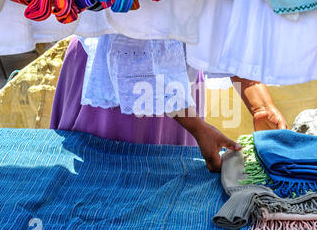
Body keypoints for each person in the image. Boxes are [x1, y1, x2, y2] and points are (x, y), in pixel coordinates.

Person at [51, 35, 286, 172]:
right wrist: (195, 126)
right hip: (113, 74)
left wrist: (260, 106)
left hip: (177, 81)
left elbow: (222, 18)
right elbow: (135, 26)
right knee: (104, 189)